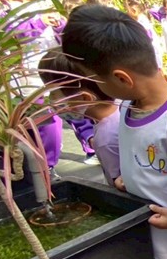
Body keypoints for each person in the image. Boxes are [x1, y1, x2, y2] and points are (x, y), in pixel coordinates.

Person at [61, 5, 167, 259]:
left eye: (94, 79)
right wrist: (129, 178)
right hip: (151, 243)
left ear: (122, 79)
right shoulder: (126, 107)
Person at [0, 0, 63, 172]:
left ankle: (48, 166)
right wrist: (39, 23)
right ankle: (31, 169)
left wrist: (59, 26)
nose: (24, 4)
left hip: (46, 80)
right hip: (21, 84)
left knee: (51, 125)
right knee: (30, 128)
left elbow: (62, 41)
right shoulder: (2, 18)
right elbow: (17, 34)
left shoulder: (42, 14)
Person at [38, 47, 120, 186]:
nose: (50, 100)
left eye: (53, 94)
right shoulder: (122, 109)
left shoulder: (105, 139)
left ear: (84, 98)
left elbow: (118, 185)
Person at [51, 0, 98, 165]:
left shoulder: (89, 32)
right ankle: (91, 148)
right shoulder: (64, 32)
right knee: (80, 117)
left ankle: (95, 146)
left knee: (94, 114)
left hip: (89, 79)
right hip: (73, 80)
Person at [123, 0, 163, 69]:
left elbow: (147, 39)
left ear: (133, 10)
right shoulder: (139, 20)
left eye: (127, 9)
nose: (126, 12)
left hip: (150, 57)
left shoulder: (142, 22)